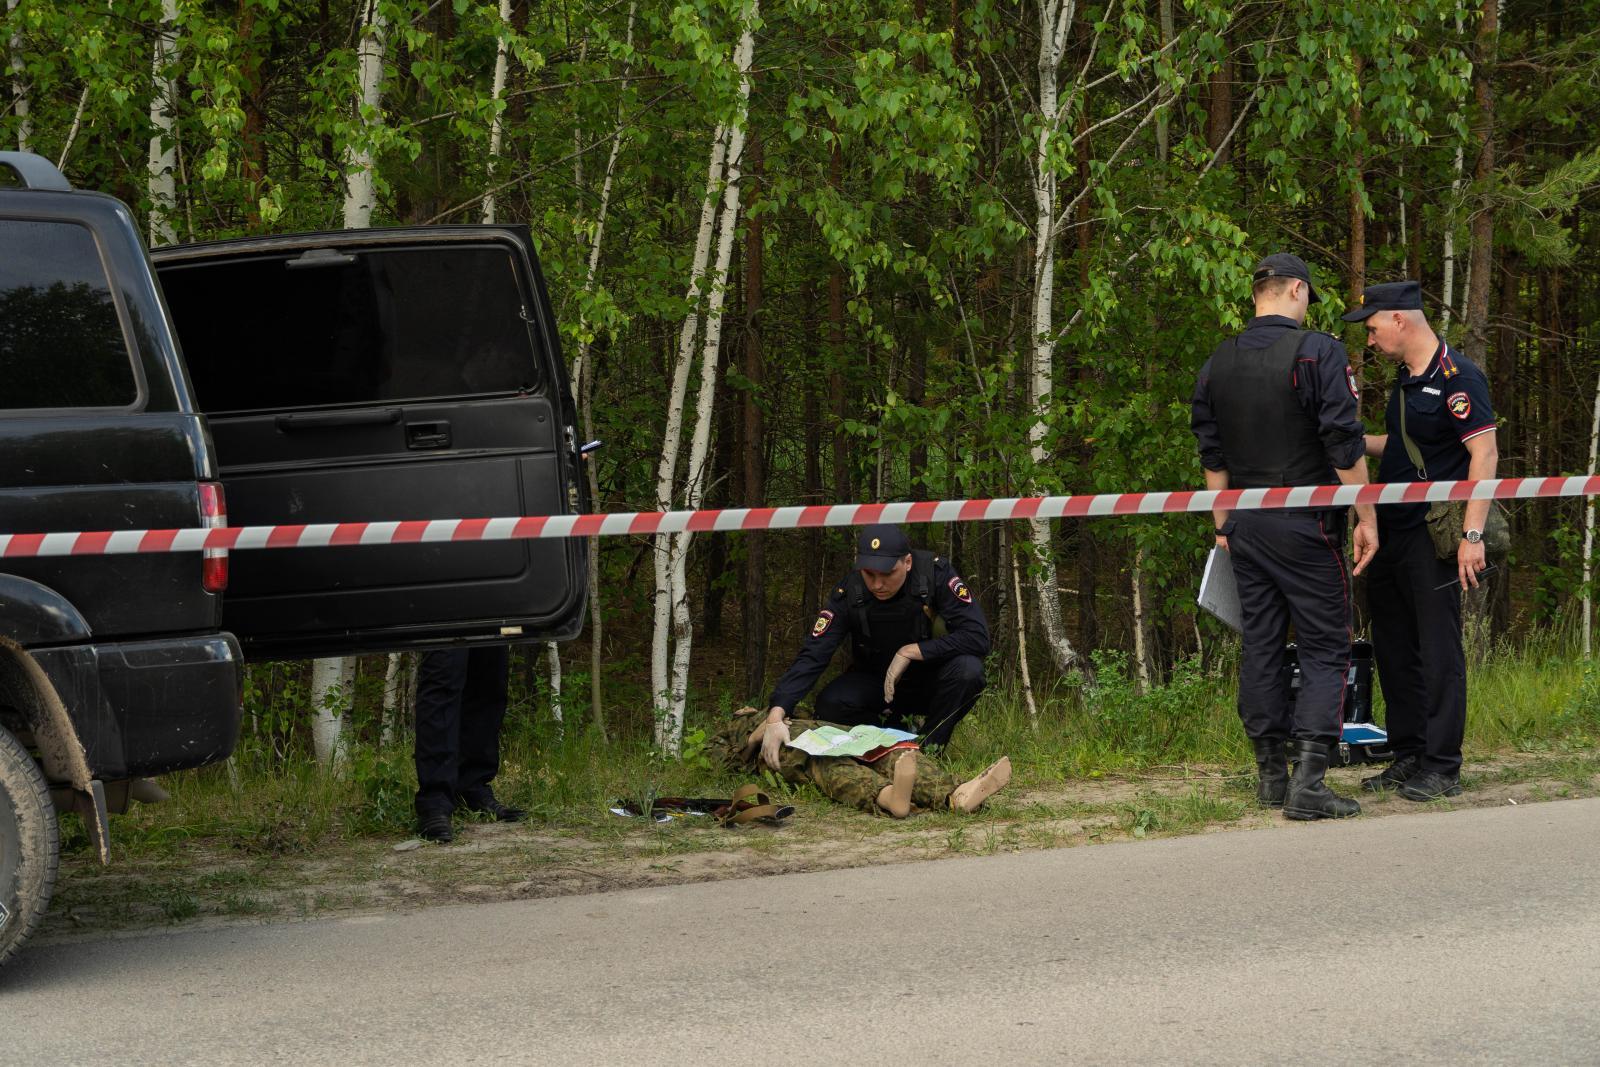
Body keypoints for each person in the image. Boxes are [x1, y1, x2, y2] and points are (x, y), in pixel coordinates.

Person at [1190, 252, 1379, 820]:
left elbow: (1212, 452)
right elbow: (1343, 443)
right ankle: (1310, 781)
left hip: (1244, 520)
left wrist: (1223, 525)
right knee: (1326, 644)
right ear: (1296, 290)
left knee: (1263, 645)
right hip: (1305, 519)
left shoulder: (1218, 360)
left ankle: (1271, 776)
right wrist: (1367, 515)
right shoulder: (1317, 350)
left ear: (1257, 294)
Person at [1344, 280, 1498, 801]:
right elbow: (1405, 447)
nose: (1368, 339)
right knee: (1393, 647)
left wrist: (1472, 535)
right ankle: (1407, 751)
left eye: (1371, 328)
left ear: (1400, 320)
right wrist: (1352, 441)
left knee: (1437, 650)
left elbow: (1485, 455)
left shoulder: (1459, 378)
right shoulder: (1407, 380)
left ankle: (1442, 764)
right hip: (1391, 529)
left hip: (1434, 536)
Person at [760, 524, 990, 753]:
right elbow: (814, 653)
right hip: (878, 685)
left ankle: (929, 748)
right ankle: (900, 733)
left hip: (931, 681)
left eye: (888, 573)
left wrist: (911, 651)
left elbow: (977, 637)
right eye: (869, 574)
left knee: (969, 671)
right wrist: (777, 713)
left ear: (907, 562)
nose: (877, 585)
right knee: (831, 704)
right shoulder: (849, 590)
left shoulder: (935, 575)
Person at [709, 707, 1012, 817]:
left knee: (890, 750)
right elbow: (724, 766)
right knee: (828, 768)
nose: (742, 708)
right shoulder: (724, 733)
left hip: (832, 735)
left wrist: (782, 715)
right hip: (791, 749)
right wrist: (755, 737)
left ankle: (954, 795)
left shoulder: (781, 707)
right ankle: (891, 797)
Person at [413, 646, 526, 842]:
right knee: (442, 677)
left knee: (490, 680)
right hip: (440, 615)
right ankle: (435, 801)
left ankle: (472, 786)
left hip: (489, 614)